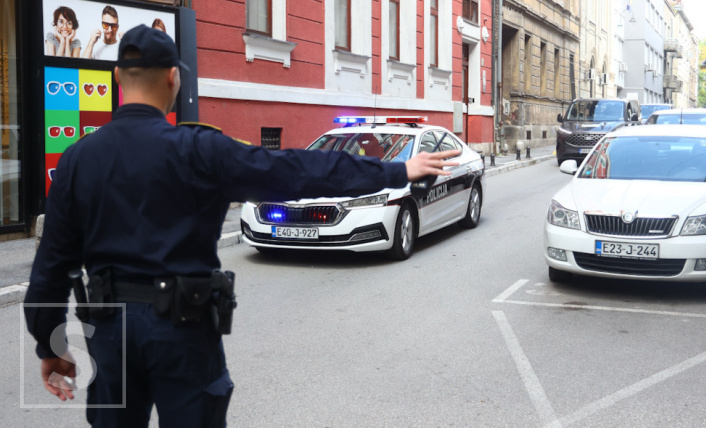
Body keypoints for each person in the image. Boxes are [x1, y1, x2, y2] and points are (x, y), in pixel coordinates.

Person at [23, 24, 460, 426]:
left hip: (109, 330)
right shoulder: (201, 150)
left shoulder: (78, 158)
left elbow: (51, 267)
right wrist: (397, 171)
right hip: (182, 329)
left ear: (118, 78)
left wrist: (51, 346)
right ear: (174, 78)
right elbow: (299, 170)